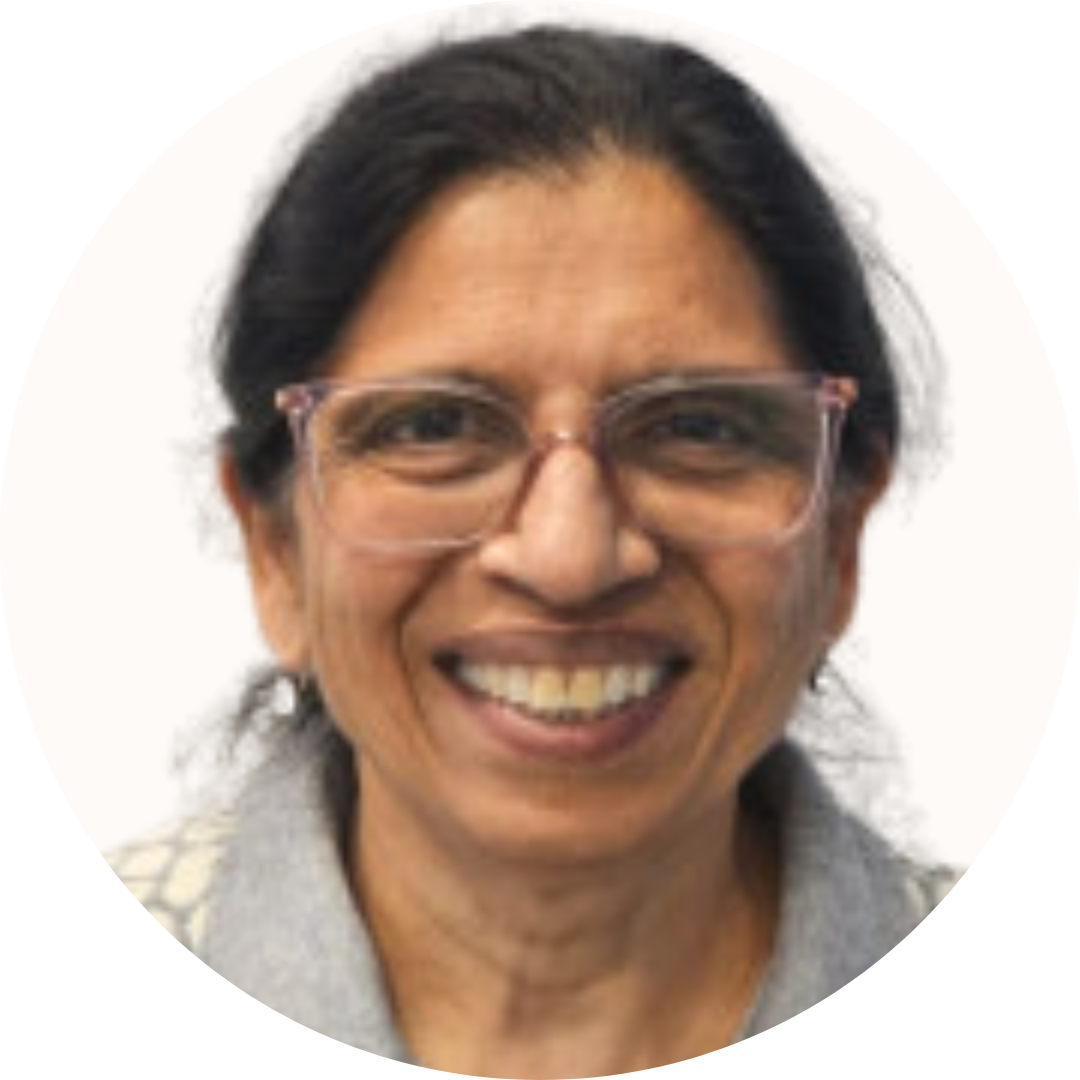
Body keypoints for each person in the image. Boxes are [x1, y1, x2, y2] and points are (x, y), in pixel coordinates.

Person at [106, 24, 956, 1077]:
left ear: (839, 538)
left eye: (697, 428)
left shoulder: (1000, 1007)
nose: (569, 558)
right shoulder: (66, 997)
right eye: (434, 427)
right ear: (274, 545)